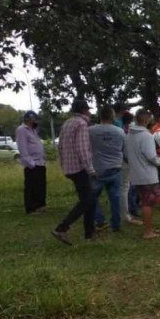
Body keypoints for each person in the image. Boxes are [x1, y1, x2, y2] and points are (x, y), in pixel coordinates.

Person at [52, 99, 96, 245]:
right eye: (88, 110)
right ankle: (62, 228)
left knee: (89, 199)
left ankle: (89, 233)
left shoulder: (67, 123)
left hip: (70, 167)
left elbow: (60, 146)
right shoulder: (82, 124)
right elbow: (82, 149)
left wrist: (63, 164)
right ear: (84, 110)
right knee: (87, 200)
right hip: (80, 168)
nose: (90, 113)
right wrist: (90, 169)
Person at [125, 109, 160, 239]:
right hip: (147, 175)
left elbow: (126, 154)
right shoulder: (146, 136)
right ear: (147, 120)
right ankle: (147, 231)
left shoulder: (129, 135)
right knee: (148, 203)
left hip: (136, 174)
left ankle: (149, 227)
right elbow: (151, 156)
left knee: (145, 201)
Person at [89, 105, 126, 232]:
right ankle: (116, 224)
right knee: (115, 199)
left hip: (97, 168)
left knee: (92, 197)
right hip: (115, 167)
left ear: (100, 116)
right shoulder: (119, 131)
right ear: (113, 116)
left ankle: (100, 220)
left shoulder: (91, 131)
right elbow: (123, 148)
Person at [15, 110, 47, 214]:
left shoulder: (33, 130)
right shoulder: (22, 130)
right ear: (30, 119)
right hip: (32, 164)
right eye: (35, 120)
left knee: (40, 186)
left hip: (40, 162)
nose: (37, 122)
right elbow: (22, 148)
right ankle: (31, 208)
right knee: (32, 187)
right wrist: (30, 163)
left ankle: (40, 205)